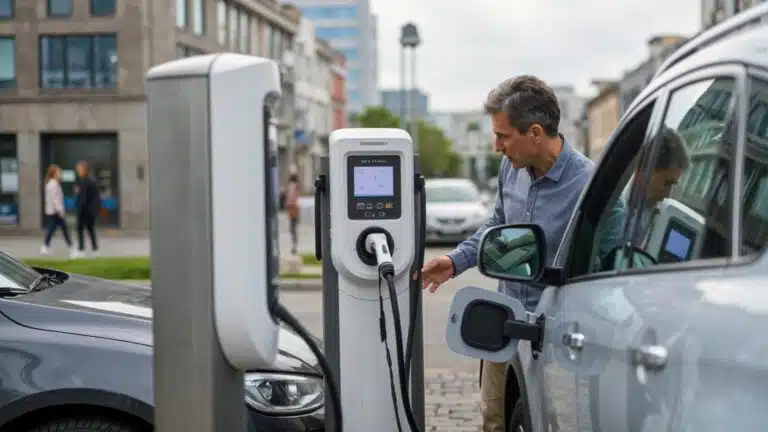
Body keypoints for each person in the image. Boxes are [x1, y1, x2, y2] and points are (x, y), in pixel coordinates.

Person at [416, 75, 595, 432]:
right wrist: (454, 262)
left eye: (502, 136)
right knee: (494, 420)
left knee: (550, 423)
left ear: (534, 133)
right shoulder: (510, 169)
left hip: (555, 332)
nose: (497, 146)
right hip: (508, 317)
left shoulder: (589, 183)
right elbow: (497, 225)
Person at [596, 127, 690, 264]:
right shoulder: (615, 214)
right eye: (667, 183)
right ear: (643, 170)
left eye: (672, 185)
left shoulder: (655, 211)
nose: (668, 194)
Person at [41, 164, 76, 257]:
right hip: (55, 212)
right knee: (60, 229)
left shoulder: (51, 184)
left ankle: (45, 247)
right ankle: (71, 248)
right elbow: (55, 200)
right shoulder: (53, 185)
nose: (60, 174)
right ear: (54, 173)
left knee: (55, 229)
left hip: (53, 211)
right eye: (58, 172)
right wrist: (61, 211)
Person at [73, 161, 100, 258]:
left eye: (79, 169)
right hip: (88, 210)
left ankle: (81, 250)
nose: (78, 171)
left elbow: (84, 198)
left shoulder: (85, 182)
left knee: (81, 229)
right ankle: (94, 249)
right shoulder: (87, 181)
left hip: (85, 210)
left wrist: (80, 209)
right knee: (90, 230)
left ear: (84, 170)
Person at [285, 169, 300, 255]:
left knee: (292, 228)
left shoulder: (292, 186)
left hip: (292, 208)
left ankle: (294, 245)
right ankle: (294, 245)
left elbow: (291, 198)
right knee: (293, 227)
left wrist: (287, 204)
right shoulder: (296, 185)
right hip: (295, 208)